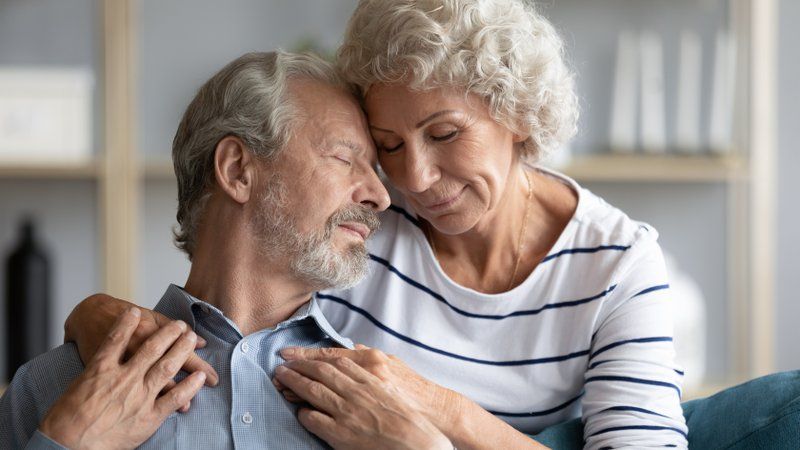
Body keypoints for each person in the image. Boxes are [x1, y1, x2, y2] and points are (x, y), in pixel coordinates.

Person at [66, 0, 689, 448]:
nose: (412, 179)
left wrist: (438, 413)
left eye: (444, 133)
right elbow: (233, 289)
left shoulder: (618, 265)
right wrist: (94, 319)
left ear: (518, 113)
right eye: (387, 144)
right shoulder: (371, 222)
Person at [0, 51, 453, 450]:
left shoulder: (390, 408)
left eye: (374, 169)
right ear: (238, 170)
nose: (380, 195)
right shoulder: (54, 386)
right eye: (344, 158)